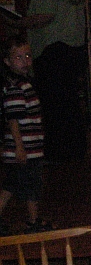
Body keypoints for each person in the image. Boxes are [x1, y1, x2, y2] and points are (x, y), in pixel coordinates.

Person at [13, 0, 87, 163]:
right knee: (70, 103)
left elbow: (44, 16)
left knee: (54, 106)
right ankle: (75, 150)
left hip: (52, 49)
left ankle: (57, 152)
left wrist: (21, 23)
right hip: (73, 48)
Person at [0, 36, 51, 236]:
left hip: (27, 148)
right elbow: (13, 118)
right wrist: (19, 146)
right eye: (19, 57)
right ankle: (32, 221)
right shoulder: (16, 86)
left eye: (27, 55)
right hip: (24, 149)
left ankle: (32, 220)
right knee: (30, 185)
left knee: (11, 185)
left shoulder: (25, 84)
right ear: (8, 61)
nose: (25, 61)